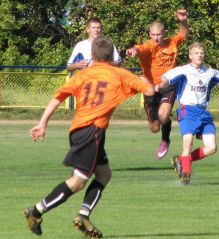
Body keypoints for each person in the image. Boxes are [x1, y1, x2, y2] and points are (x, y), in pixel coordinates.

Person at [24, 36, 155, 238]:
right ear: (112, 56)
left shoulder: (82, 75)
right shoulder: (120, 74)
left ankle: (83, 214)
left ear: (92, 55)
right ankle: (37, 211)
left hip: (80, 130)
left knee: (104, 175)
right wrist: (146, 81)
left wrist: (42, 124)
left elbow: (57, 97)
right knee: (77, 182)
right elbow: (150, 90)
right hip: (91, 131)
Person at [155, 42, 219, 185]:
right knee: (188, 142)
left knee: (212, 148)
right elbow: (167, 79)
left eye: (201, 53)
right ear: (190, 55)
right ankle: (185, 176)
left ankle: (182, 159)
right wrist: (160, 85)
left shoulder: (210, 72)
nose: (199, 55)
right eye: (196, 53)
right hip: (187, 109)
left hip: (203, 112)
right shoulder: (183, 70)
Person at [125, 9, 189, 159]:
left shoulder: (172, 43)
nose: (155, 38)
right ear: (149, 35)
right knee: (154, 128)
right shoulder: (149, 46)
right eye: (152, 35)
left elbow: (184, 34)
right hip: (150, 89)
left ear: (165, 33)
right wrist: (133, 50)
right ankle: (165, 124)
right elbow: (140, 48)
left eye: (158, 35)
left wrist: (183, 21)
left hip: (168, 85)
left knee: (163, 114)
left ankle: (165, 139)